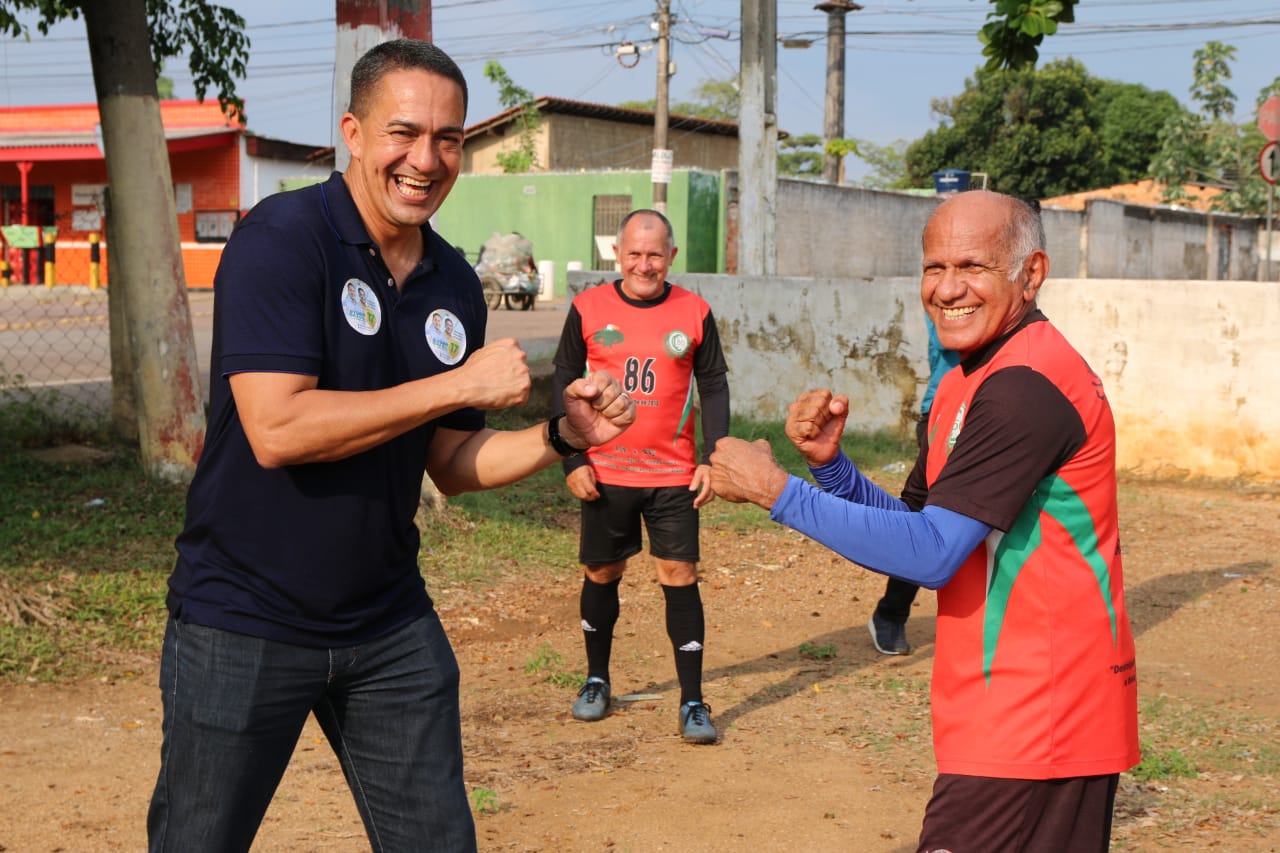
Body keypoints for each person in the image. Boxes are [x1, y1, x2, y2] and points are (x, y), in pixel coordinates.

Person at [148, 40, 636, 853]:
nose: (425, 159)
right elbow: (277, 429)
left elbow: (450, 461)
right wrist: (454, 385)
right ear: (353, 133)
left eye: (448, 139)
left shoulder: (452, 282)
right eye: (403, 132)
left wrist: (561, 435)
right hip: (243, 616)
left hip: (386, 622)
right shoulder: (283, 238)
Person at [709, 190, 1138, 850]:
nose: (947, 288)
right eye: (934, 267)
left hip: (1041, 715)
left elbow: (931, 553)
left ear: (1031, 273)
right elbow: (921, 526)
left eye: (972, 266)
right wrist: (833, 469)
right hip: (1008, 712)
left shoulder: (1025, 386)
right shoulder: (970, 377)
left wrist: (776, 492)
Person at [551, 208, 730, 744]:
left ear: (671, 255)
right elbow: (563, 379)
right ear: (617, 254)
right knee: (602, 572)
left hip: (674, 474)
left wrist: (713, 457)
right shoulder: (588, 307)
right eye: (634, 254)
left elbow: (713, 385)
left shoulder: (694, 311)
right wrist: (572, 459)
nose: (644, 265)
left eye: (655, 255)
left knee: (680, 574)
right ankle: (596, 680)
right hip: (606, 472)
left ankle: (693, 701)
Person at [867, 316, 958, 656]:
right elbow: (952, 338)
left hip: (996, 409)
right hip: (944, 414)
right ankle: (891, 613)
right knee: (926, 519)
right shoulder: (953, 299)